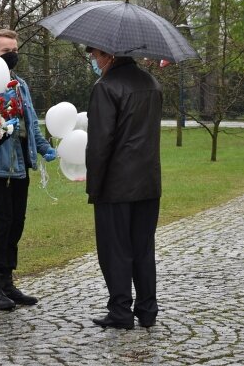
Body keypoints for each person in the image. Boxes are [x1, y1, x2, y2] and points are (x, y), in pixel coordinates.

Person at [85, 46, 163, 330]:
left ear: (110, 55)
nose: (94, 60)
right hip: (148, 181)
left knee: (115, 249)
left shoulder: (106, 87)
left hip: (116, 184)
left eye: (95, 55)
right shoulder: (152, 83)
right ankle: (147, 308)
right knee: (143, 248)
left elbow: (100, 142)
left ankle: (120, 309)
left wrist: (94, 184)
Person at [0, 29, 57, 310]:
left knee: (16, 225)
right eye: (5, 51)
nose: (12, 55)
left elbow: (32, 123)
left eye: (15, 50)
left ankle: (7, 282)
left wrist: (43, 147)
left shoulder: (21, 84)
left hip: (21, 166)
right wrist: (3, 114)